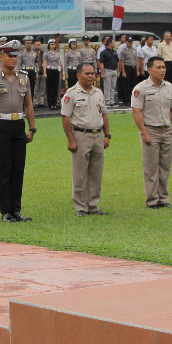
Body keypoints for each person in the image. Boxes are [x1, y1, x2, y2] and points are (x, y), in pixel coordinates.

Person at [0, 40, 37, 222]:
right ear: (1, 56)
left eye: (16, 56)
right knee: (4, 169)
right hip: (1, 126)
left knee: (18, 169)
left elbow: (28, 104)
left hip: (18, 125)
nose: (14, 59)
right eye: (10, 56)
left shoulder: (24, 77)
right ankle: (6, 211)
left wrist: (32, 128)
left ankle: (16, 210)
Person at [61, 61, 111, 216]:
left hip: (97, 135)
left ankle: (93, 205)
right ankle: (81, 207)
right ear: (78, 75)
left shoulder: (98, 92)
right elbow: (65, 118)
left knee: (96, 172)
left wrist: (107, 135)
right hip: (80, 135)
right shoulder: (71, 94)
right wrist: (71, 140)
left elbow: (104, 114)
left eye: (92, 73)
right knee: (80, 173)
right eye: (87, 73)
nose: (90, 76)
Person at [131, 57, 172, 209]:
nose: (162, 70)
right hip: (151, 130)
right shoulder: (141, 88)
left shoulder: (169, 87)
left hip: (166, 130)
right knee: (151, 167)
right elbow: (136, 112)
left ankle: (163, 198)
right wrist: (144, 132)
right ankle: (152, 200)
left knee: (165, 166)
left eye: (163, 67)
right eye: (158, 67)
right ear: (149, 70)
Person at [98, 35, 119, 106]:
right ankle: (107, 101)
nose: (114, 44)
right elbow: (101, 63)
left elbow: (117, 62)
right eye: (113, 42)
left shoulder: (114, 52)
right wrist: (103, 73)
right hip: (107, 70)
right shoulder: (103, 52)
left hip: (114, 70)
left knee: (113, 87)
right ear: (109, 43)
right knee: (107, 87)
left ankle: (112, 101)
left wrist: (118, 71)